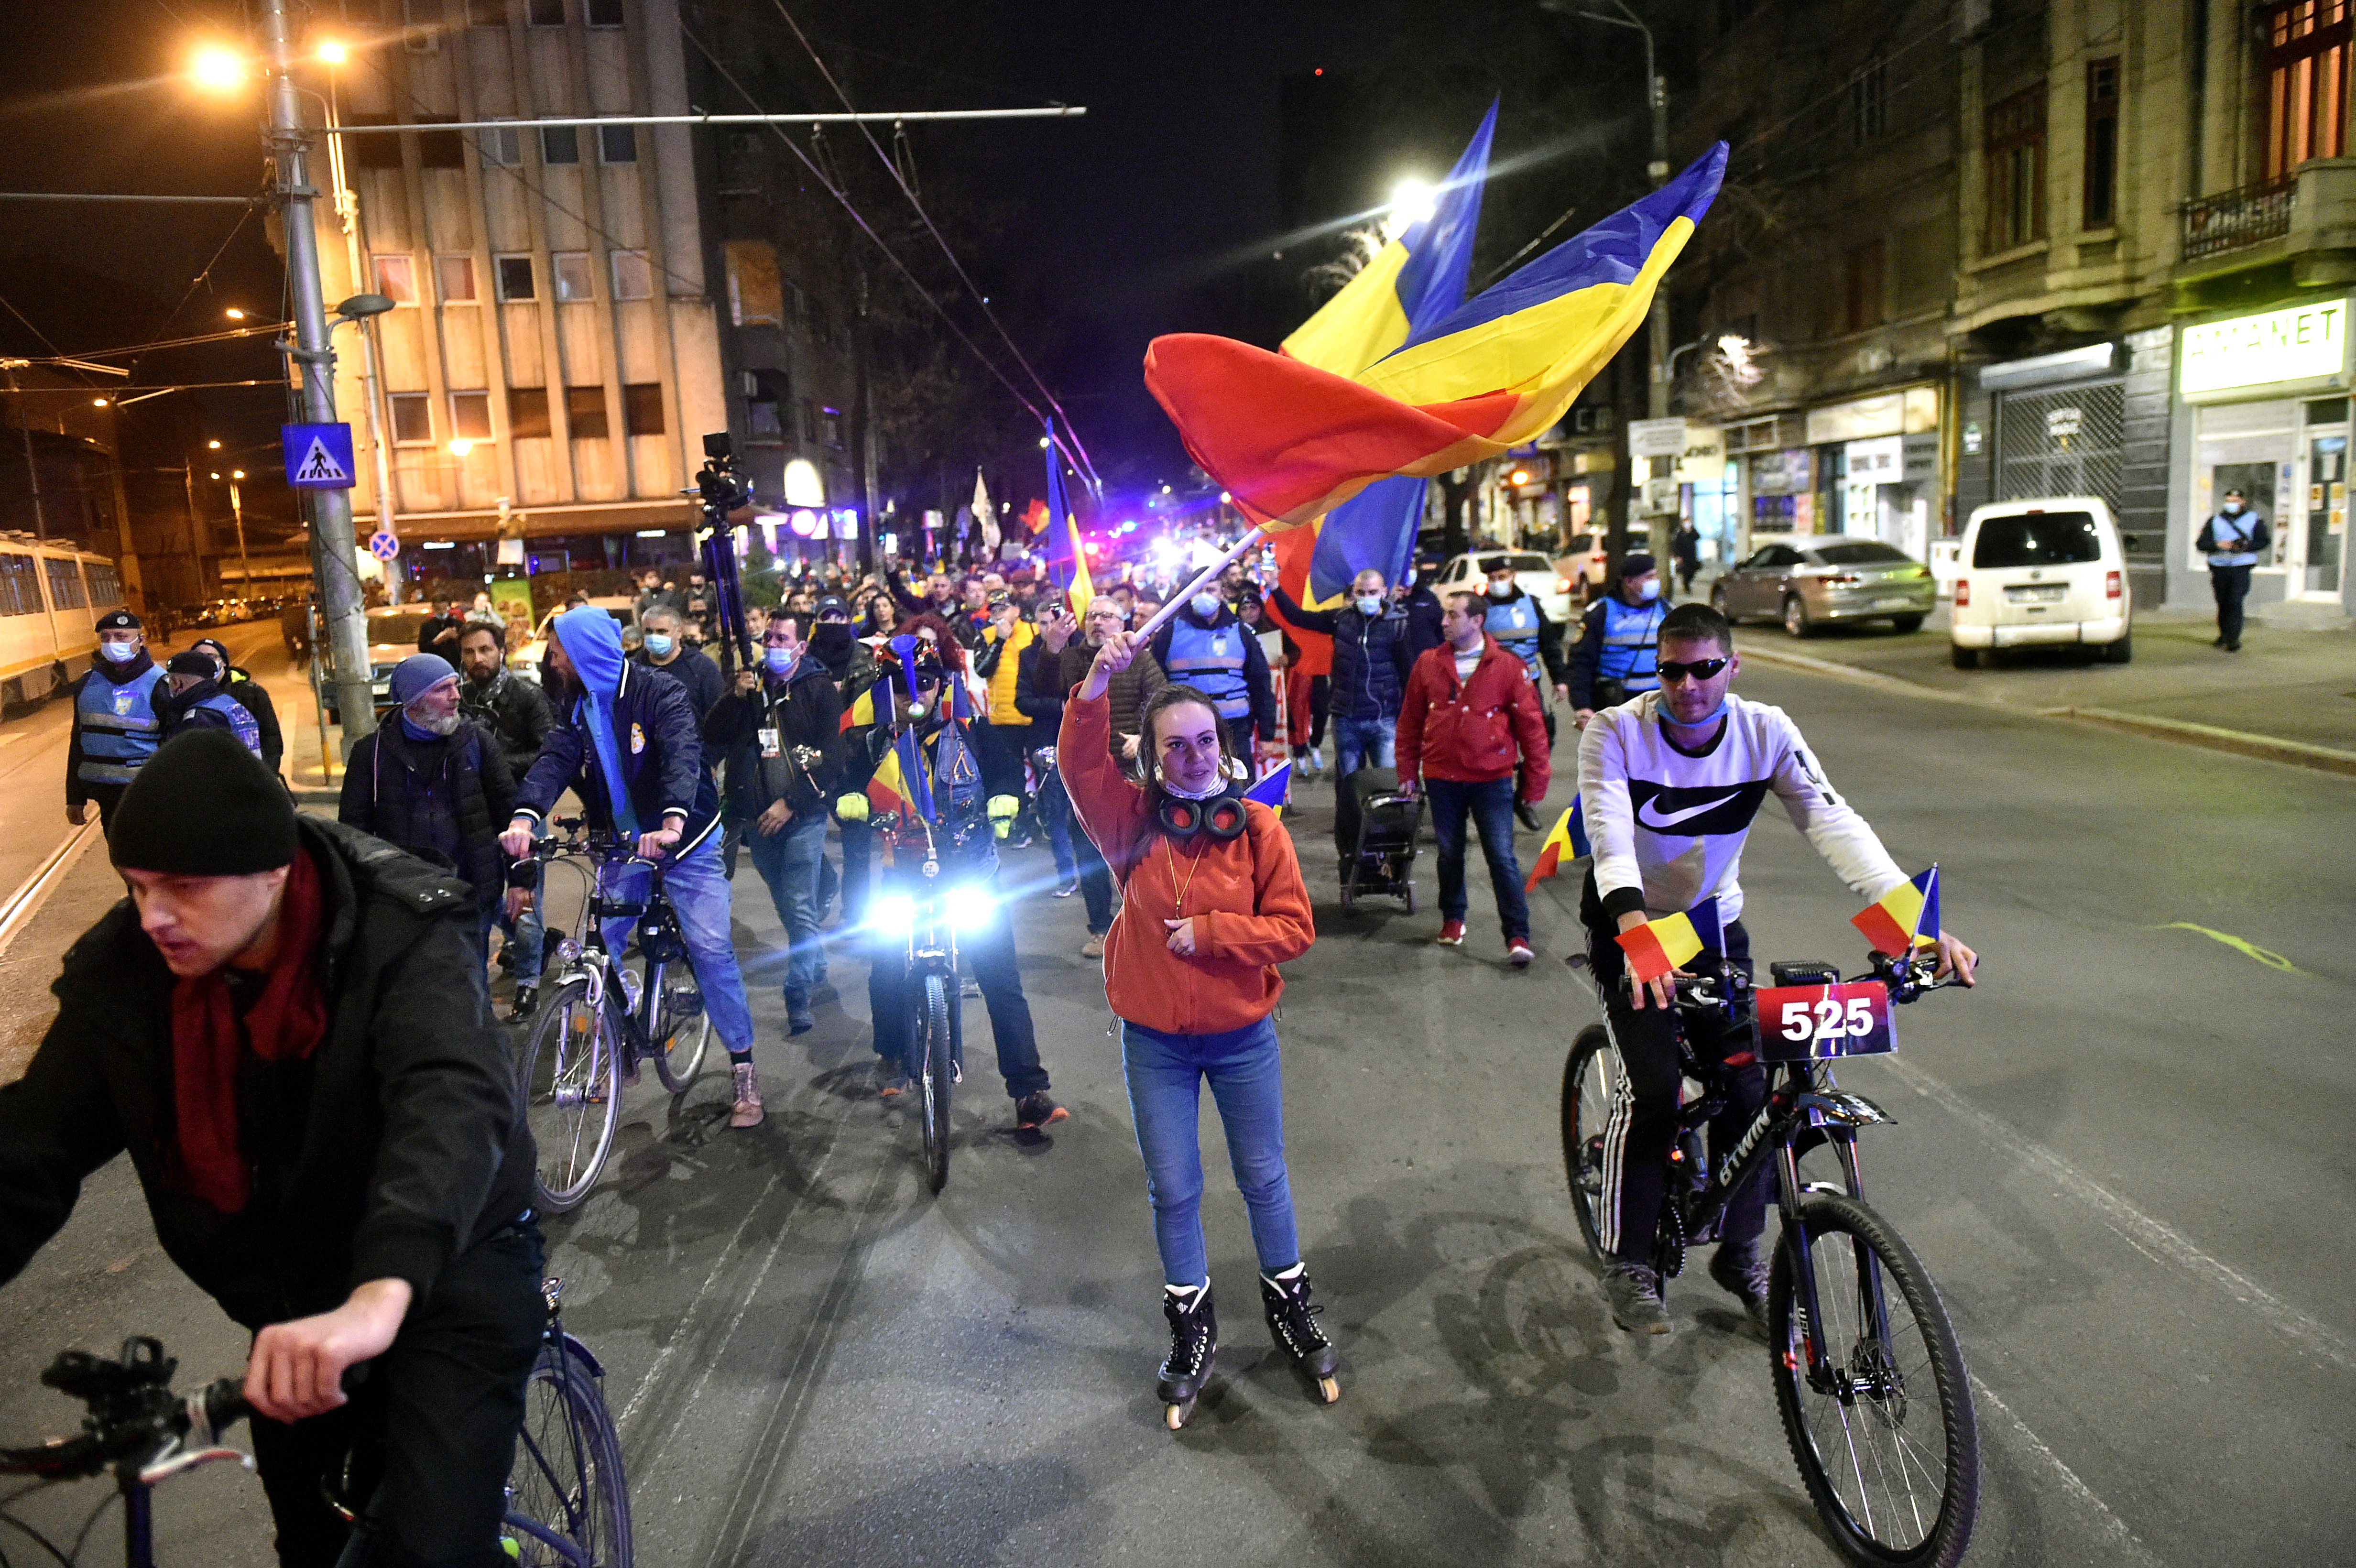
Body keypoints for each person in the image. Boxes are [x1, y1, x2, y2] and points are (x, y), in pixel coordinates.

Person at [0, 730, 542, 1568]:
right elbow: (31, 1144)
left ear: (275, 869)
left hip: (446, 1260)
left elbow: (449, 1101)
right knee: (313, 1547)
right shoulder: (131, 971)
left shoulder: (400, 929)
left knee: (430, 1547)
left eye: (183, 887)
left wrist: (379, 1295)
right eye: (136, 888)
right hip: (296, 1299)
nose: (154, 919)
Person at [1577, 601, 1977, 1335]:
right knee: (1656, 1086)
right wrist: (1634, 931)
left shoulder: (1765, 732)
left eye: (1705, 670)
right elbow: (1609, 841)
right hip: (1631, 923)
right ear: (1658, 670)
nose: (1688, 686)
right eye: (1673, 670)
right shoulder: (1616, 732)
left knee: (1752, 1090)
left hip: (1711, 926)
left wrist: (1919, 932)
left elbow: (1833, 823)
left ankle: (1741, 1249)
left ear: (1733, 666)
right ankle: (1630, 1260)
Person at [1057, 637, 1332, 1418]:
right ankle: (1190, 1327)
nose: (1191, 757)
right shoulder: (1129, 822)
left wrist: (1214, 934)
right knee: (1174, 1188)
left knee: (1263, 1178)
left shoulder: (1254, 828)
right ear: (1149, 756)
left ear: (1224, 745)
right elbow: (1079, 763)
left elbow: (1294, 927)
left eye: (1204, 741)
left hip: (1242, 1037)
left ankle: (1290, 1307)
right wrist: (1099, 678)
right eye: (1173, 746)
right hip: (1155, 1044)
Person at [499, 606, 767, 1129]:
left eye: (557, 650)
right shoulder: (576, 703)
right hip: (625, 843)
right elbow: (554, 759)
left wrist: (670, 820)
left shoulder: (657, 691)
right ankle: (616, 1042)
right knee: (601, 943)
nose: (552, 660)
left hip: (683, 839)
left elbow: (682, 756)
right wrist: (525, 816)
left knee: (710, 947)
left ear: (581, 653)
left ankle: (743, 1065)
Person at [834, 633, 1067, 1131]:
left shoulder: (972, 729)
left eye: (923, 685)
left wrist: (1006, 799)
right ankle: (893, 1053)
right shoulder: (873, 739)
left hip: (972, 872)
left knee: (1000, 977)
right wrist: (851, 800)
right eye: (900, 688)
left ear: (942, 684)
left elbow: (1007, 773)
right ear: (883, 692)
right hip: (905, 875)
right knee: (886, 964)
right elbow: (847, 782)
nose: (913, 697)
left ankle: (1029, 1091)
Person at [703, 613, 840, 1036]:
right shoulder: (752, 685)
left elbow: (832, 757)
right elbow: (713, 735)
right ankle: (814, 960)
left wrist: (791, 802)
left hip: (802, 815)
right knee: (787, 903)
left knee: (799, 903)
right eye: (769, 637)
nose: (774, 644)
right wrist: (733, 696)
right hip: (757, 820)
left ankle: (797, 992)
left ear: (801, 648)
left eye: (783, 638)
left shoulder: (818, 689)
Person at [1395, 593, 1550, 966]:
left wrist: (1535, 782)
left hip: (1491, 779)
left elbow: (1532, 728)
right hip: (1442, 776)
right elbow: (1410, 722)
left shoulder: (1508, 667)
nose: (1444, 622)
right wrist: (1406, 771)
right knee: (1449, 853)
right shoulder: (1428, 664)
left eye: (1453, 615)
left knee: (1501, 856)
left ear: (1477, 621)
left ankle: (1517, 934)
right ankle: (1453, 919)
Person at [340, 654, 517, 966]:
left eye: (455, 685)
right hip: (404, 900)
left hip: (472, 893)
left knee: (472, 986)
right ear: (413, 700)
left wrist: (521, 881)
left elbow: (509, 817)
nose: (456, 696)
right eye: (442, 689)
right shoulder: (371, 753)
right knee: (418, 989)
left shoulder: (479, 743)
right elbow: (353, 833)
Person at [457, 621, 556, 1016]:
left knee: (525, 901)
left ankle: (529, 984)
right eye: (468, 652)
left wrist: (493, 764)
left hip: (521, 813)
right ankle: (528, 951)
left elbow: (548, 753)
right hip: (476, 816)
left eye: (484, 650)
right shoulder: (459, 699)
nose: (477, 659)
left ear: (501, 652)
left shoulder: (528, 697)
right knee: (481, 897)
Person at [1269, 569, 1413, 780]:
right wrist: (1275, 587)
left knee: (1387, 782)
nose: (1366, 598)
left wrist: (1407, 718)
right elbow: (1299, 618)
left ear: (1384, 592)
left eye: (1372, 592)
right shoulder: (1341, 620)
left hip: (1385, 719)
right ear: (1353, 593)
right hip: (1347, 718)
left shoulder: (1398, 625)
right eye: (1360, 593)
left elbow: (1408, 674)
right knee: (1350, 786)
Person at [1150, 582, 1281, 766]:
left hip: (1234, 731)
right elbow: (1153, 686)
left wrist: (1267, 736)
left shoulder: (1240, 632)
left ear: (1223, 593)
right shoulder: (1169, 633)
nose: (1204, 595)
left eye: (1210, 590)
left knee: (1239, 790)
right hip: (1185, 733)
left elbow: (1261, 685)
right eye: (1198, 590)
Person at [806, 595, 879, 923]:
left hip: (854, 768)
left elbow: (870, 714)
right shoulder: (804, 661)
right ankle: (824, 886)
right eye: (826, 618)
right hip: (811, 765)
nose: (833, 625)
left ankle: (856, 913)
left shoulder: (866, 659)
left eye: (839, 618)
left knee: (857, 848)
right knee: (805, 841)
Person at [65, 608, 165, 828]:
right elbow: (78, 741)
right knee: (120, 857)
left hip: (150, 792)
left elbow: (174, 742)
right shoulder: (87, 683)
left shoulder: (160, 683)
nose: (112, 643)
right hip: (105, 792)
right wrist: (75, 798)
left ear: (141, 640)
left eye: (121, 637)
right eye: (106, 638)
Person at [1480, 556, 1571, 751]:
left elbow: (1549, 645)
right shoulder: (1480, 609)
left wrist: (1560, 680)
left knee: (1536, 730)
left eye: (1502, 577)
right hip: (1492, 683)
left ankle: (1532, 770)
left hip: (1529, 681)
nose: (1497, 582)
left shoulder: (1531, 605)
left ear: (1513, 576)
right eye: (1493, 578)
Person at [1568, 552, 1668, 730]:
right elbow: (1581, 661)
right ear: (1629, 582)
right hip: (1615, 705)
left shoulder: (1665, 610)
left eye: (1655, 575)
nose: (1656, 581)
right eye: (1649, 577)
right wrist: (1582, 705)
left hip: (1657, 706)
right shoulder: (1601, 613)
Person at [193, 636, 286, 774]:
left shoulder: (251, 693)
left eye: (211, 657)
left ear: (223, 662)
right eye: (198, 658)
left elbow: (271, 737)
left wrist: (267, 773)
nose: (205, 662)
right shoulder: (188, 696)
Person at [2195, 487, 2269, 651]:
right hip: (2219, 567)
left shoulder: (2254, 519)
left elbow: (2263, 541)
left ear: (2243, 502)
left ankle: (2233, 639)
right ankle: (2224, 634)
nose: (2232, 504)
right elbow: (2201, 544)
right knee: (2223, 602)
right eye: (2229, 501)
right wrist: (2217, 545)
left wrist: (2245, 546)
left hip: (2241, 567)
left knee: (2235, 601)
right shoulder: (2215, 521)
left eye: (2235, 501)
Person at [631, 603, 725, 719]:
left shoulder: (702, 668)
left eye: (662, 632)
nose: (654, 637)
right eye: (649, 632)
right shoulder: (633, 669)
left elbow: (718, 715)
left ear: (679, 632)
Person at [161, 650, 263, 755]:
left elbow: (192, 766)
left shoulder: (198, 718)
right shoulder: (230, 704)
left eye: (171, 681)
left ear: (177, 683)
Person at [1397, 552, 1447, 665]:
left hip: (1428, 663)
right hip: (1400, 665)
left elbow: (1441, 629)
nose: (1409, 570)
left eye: (1412, 566)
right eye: (1405, 567)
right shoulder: (1388, 598)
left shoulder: (1427, 596)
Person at [415, 595, 466, 660]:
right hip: (435, 661)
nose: (442, 612)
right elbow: (422, 649)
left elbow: (465, 645)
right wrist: (437, 641)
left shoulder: (458, 624)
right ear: (433, 608)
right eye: (438, 609)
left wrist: (456, 637)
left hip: (455, 662)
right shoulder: (427, 626)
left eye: (444, 608)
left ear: (449, 607)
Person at [1671, 522, 1703, 599]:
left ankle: (1688, 582)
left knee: (1693, 571)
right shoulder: (1680, 534)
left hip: (1692, 556)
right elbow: (1677, 545)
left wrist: (1692, 530)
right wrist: (1678, 556)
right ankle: (1687, 586)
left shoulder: (1692, 533)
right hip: (1684, 557)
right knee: (1686, 572)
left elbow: (1698, 537)